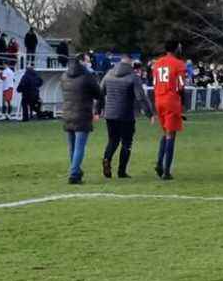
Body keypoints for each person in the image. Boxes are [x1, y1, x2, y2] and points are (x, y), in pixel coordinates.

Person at [97, 53, 154, 179]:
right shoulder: (133, 77)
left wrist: (97, 110)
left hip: (110, 114)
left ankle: (107, 159)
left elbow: (100, 93)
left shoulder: (108, 74)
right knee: (127, 143)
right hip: (126, 114)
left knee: (112, 140)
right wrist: (149, 114)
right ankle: (121, 171)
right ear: (130, 63)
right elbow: (141, 97)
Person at [61, 53, 102, 185]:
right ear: (82, 62)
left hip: (67, 114)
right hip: (82, 114)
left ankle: (76, 171)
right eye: (88, 60)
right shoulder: (87, 76)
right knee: (79, 146)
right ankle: (74, 173)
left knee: (72, 146)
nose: (89, 62)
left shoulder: (64, 76)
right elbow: (99, 93)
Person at [152, 40, 187, 180]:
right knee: (171, 135)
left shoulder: (157, 63)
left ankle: (160, 163)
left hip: (158, 99)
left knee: (166, 132)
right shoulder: (179, 64)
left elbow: (154, 82)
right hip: (171, 100)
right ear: (175, 49)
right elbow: (181, 86)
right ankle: (166, 170)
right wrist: (183, 103)